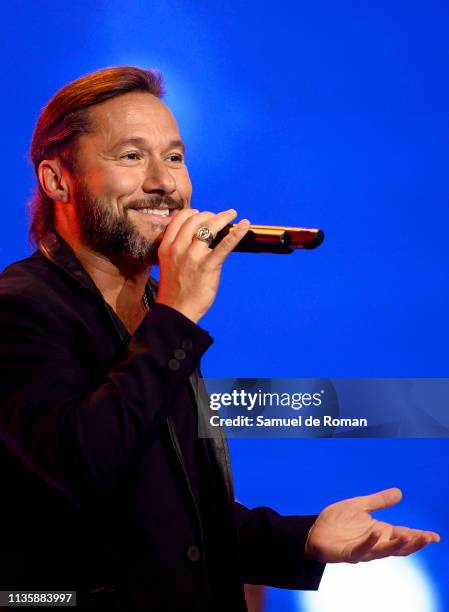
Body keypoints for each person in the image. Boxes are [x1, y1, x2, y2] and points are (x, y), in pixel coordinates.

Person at [0, 66, 440, 612]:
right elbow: (79, 467)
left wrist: (302, 539)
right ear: (57, 180)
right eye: (132, 156)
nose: (165, 182)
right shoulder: (19, 309)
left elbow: (167, 518)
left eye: (176, 157)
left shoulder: (152, 313)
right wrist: (178, 313)